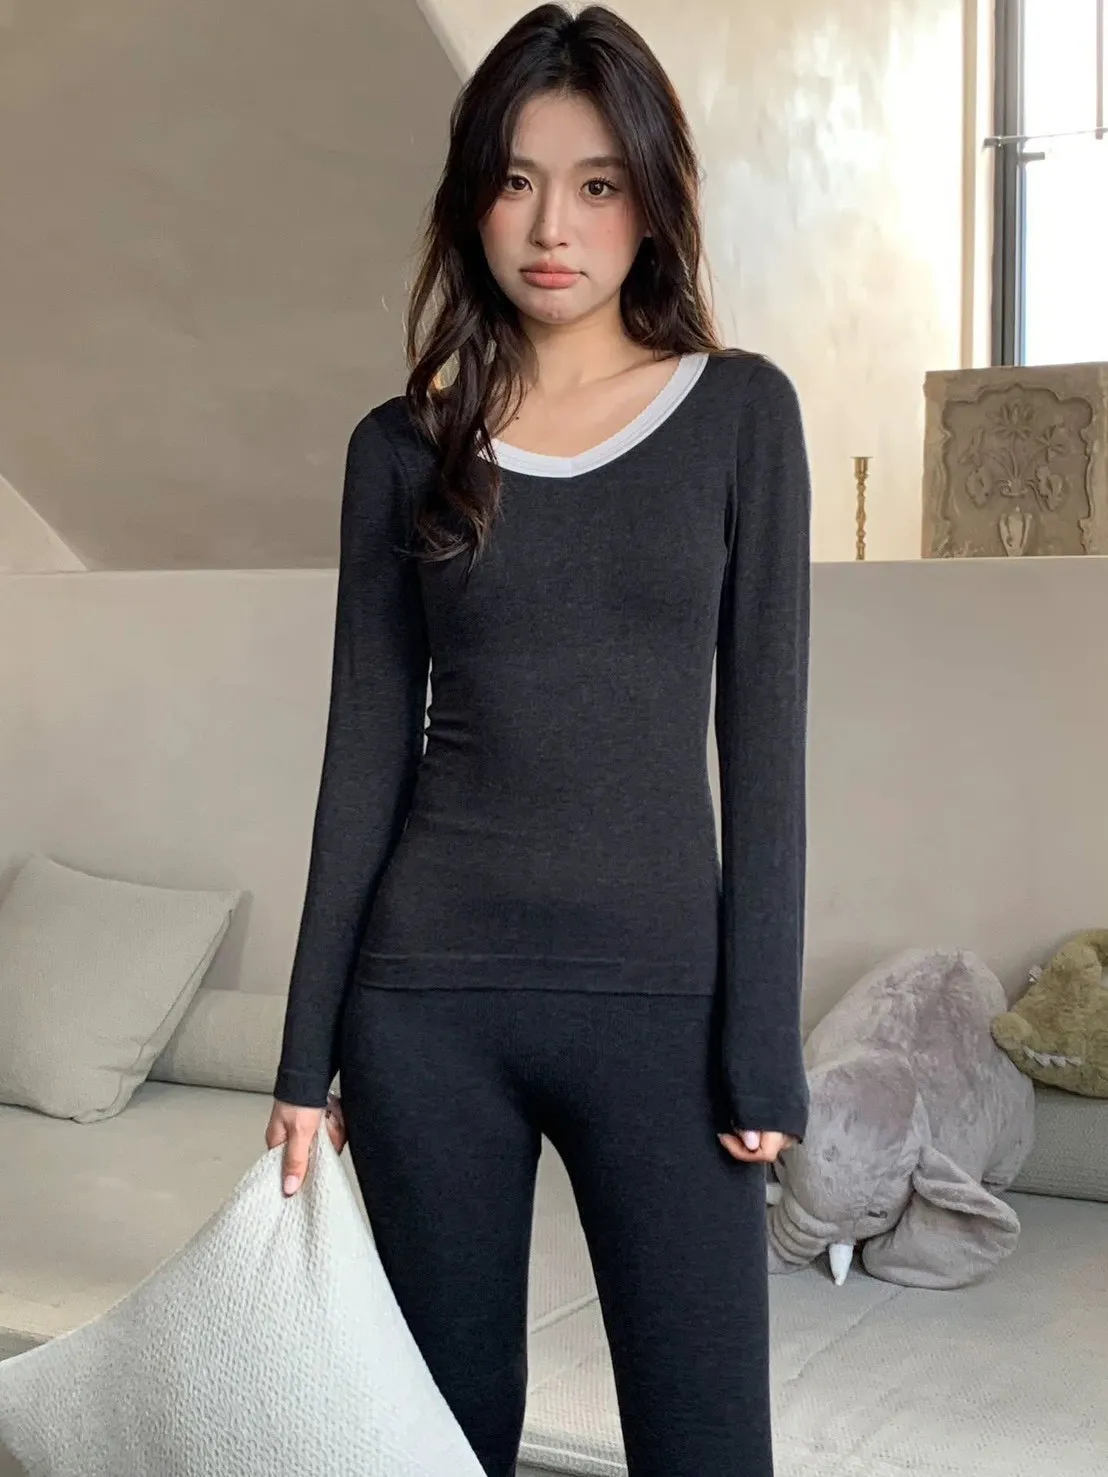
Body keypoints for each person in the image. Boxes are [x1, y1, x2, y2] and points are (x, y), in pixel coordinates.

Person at [265, 5, 811, 1474]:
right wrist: (306, 1057)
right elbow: (363, 751)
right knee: (444, 1447)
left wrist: (761, 1047)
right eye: (516, 181)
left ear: (652, 199)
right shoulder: (404, 446)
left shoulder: (740, 416)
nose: (552, 227)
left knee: (707, 1446)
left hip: (665, 1015)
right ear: (471, 202)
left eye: (596, 183)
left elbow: (766, 753)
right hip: (426, 1010)